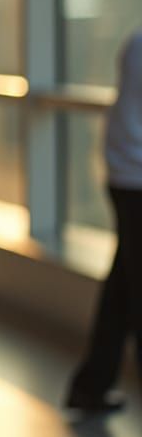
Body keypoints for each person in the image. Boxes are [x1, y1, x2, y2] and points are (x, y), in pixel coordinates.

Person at [65, 25, 142, 414]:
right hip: (136, 180)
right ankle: (91, 385)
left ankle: (91, 385)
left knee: (124, 287)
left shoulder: (136, 41)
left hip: (125, 176)